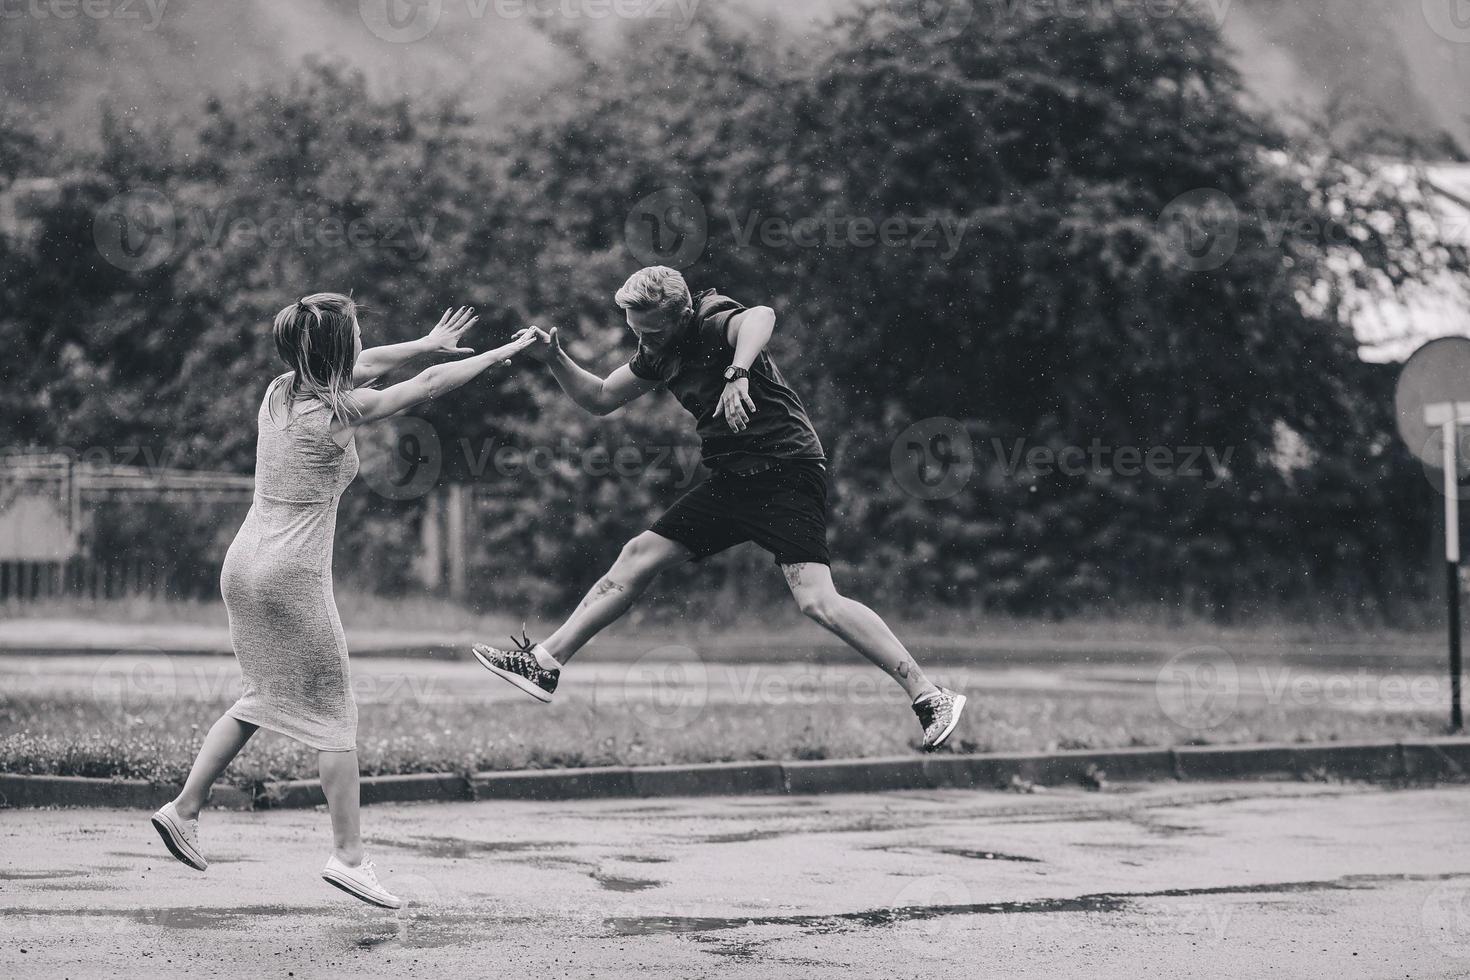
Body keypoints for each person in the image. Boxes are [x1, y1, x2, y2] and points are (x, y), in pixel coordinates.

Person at [472, 267, 967, 750]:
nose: (643, 341)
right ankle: (546, 663)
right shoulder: (657, 353)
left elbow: (762, 316)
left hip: (786, 470)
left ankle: (930, 696)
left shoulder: (711, 318)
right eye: (634, 330)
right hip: (733, 479)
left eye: (651, 331)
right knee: (639, 555)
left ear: (681, 315)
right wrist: (555, 357)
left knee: (817, 601)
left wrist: (738, 372)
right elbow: (601, 398)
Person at [150, 294, 535, 909]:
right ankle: (349, 858)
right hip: (291, 574)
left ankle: (183, 809)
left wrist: (424, 342)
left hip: (243, 563)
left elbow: (375, 364)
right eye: (356, 335)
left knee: (262, 695)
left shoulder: (280, 391)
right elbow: (428, 386)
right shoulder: (339, 412)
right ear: (338, 350)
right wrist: (506, 351)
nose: (363, 344)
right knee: (334, 717)